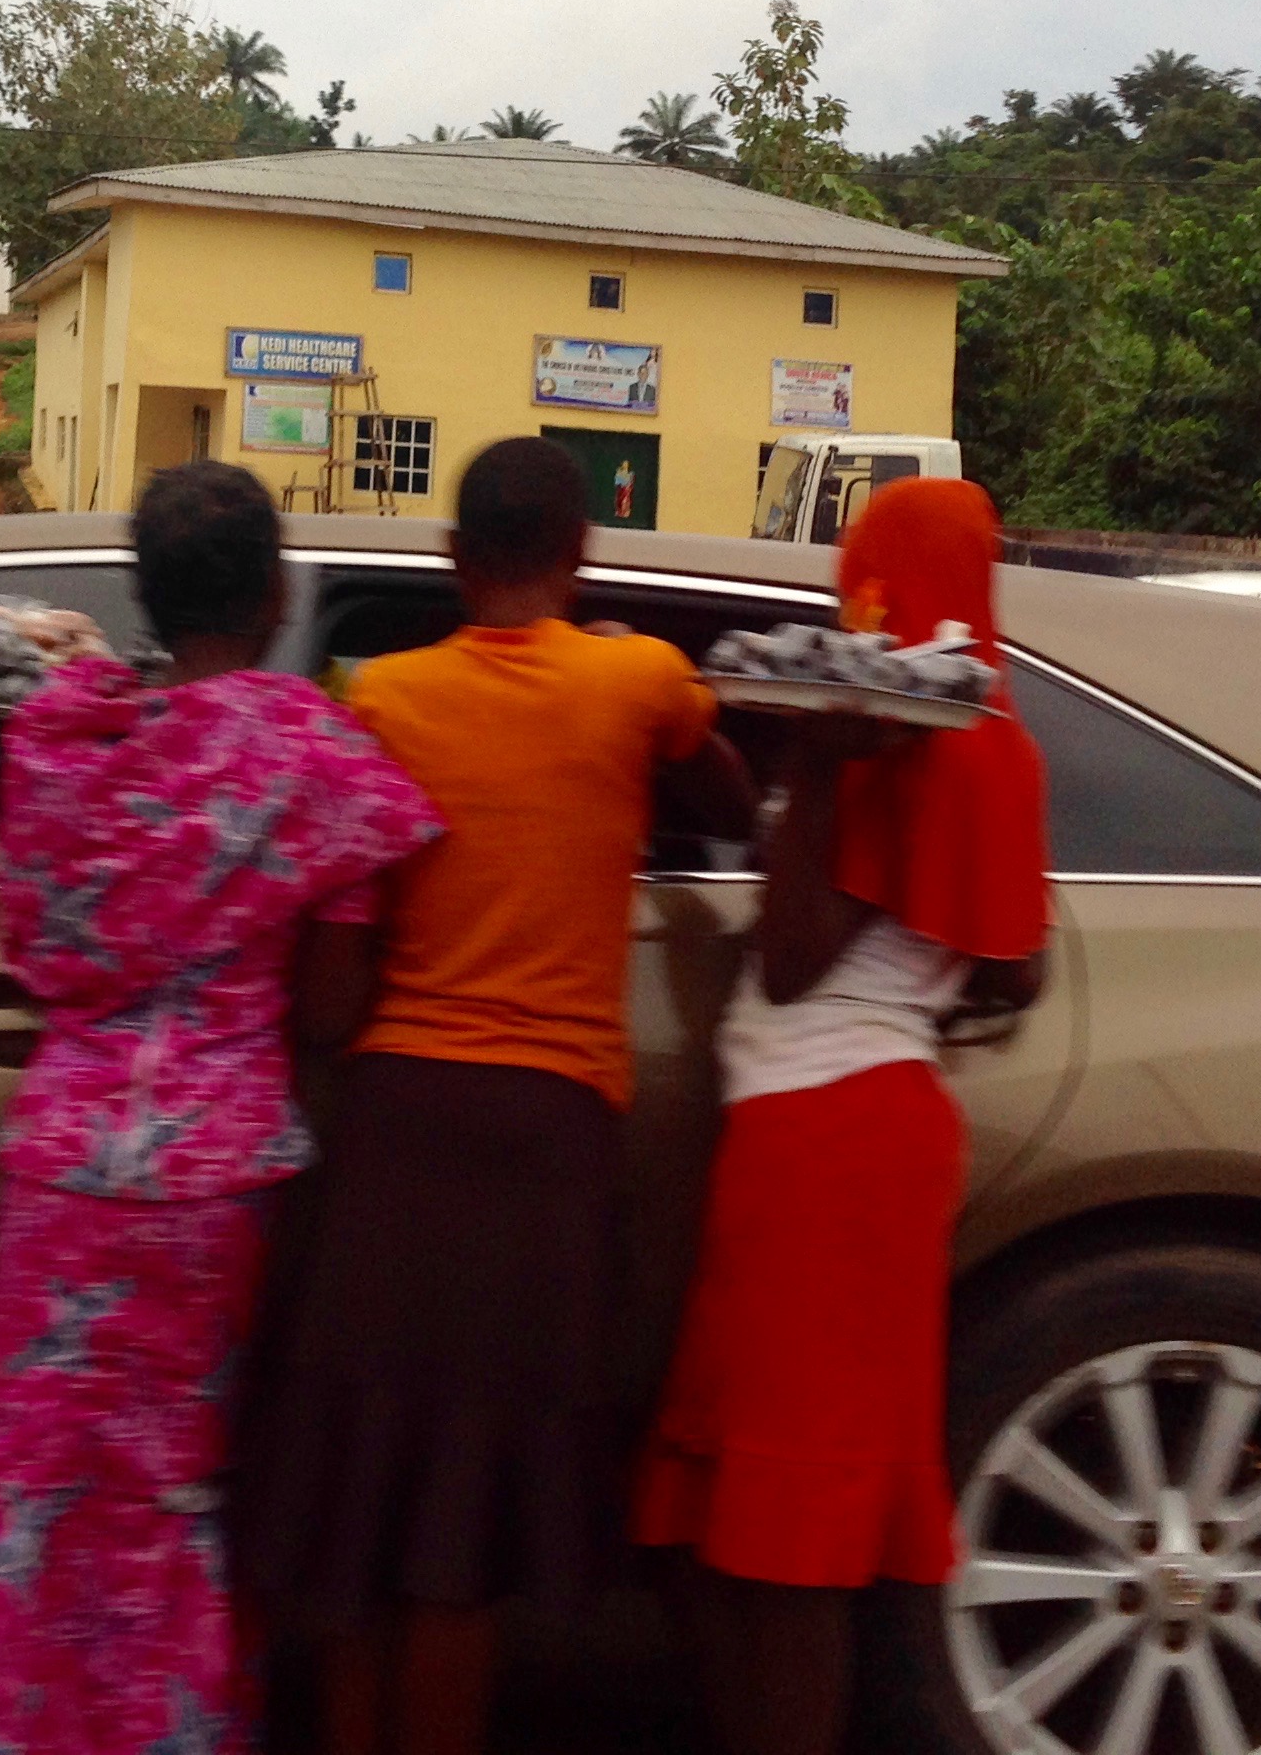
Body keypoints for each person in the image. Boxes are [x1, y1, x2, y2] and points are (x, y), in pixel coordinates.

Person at [0, 462, 440, 1755]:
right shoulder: (316, 758)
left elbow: (26, 914)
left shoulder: (59, 742)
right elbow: (331, 1013)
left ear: (147, 594)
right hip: (209, 1184)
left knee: (30, 1489)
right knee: (164, 1494)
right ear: (278, 595)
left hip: (60, 1172)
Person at [240, 435, 752, 1755]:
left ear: (453, 560)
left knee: (360, 1495)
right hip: (547, 1140)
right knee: (456, 1528)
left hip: (395, 1124)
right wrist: (653, 703)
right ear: (581, 555)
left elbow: (337, 948)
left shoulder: (380, 697)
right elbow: (730, 805)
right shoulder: (639, 679)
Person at [629, 477, 1050, 1755]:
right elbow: (1018, 968)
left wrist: (817, 765)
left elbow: (794, 959)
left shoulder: (910, 733)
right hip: (851, 1128)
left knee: (787, 1540)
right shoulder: (992, 737)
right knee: (727, 1516)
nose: (848, 599)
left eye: (863, 570)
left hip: (827, 1140)